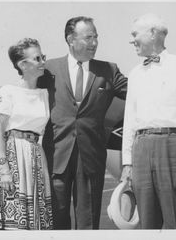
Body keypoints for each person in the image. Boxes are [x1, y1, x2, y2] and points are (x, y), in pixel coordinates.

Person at [37, 16, 128, 229]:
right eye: (88, 37)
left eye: (96, 37)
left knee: (88, 221)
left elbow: (138, 93)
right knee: (56, 220)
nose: (94, 42)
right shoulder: (48, 69)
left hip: (91, 158)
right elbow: (26, 89)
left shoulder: (109, 70)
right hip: (56, 156)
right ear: (70, 39)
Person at [121, 13, 176, 229]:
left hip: (174, 145)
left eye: (134, 34)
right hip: (141, 149)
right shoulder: (135, 74)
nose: (131, 40)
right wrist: (127, 162)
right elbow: (129, 120)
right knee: (147, 222)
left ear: (152, 33)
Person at [0, 38, 53, 230]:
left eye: (43, 56)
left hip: (36, 156)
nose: (43, 61)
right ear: (23, 64)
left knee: (36, 216)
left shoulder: (44, 94)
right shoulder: (8, 91)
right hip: (13, 156)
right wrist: (4, 170)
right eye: (37, 58)